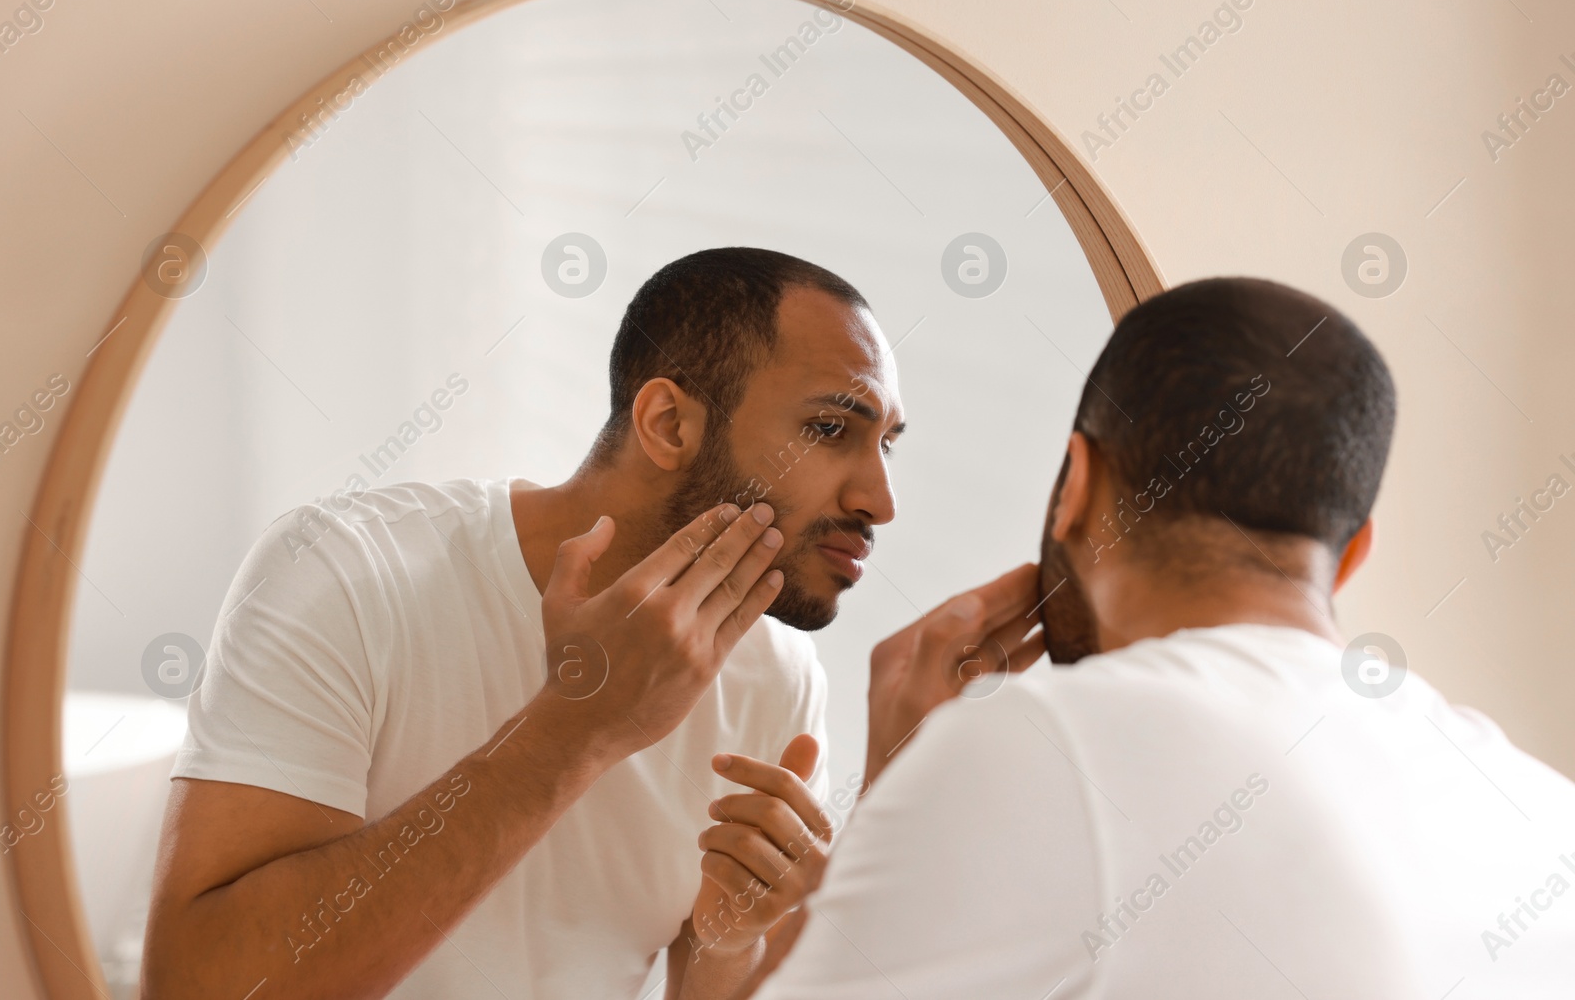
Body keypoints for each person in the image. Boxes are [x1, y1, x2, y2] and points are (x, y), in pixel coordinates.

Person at [746, 277, 1575, 999]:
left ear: (1077, 482)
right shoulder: (1542, 817)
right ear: (1353, 551)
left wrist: (897, 783)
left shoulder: (1048, 744)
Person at [141, 247, 907, 1000]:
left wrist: (727, 942)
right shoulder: (342, 572)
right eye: (832, 429)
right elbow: (197, 987)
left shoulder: (775, 675)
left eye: (889, 445)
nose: (882, 500)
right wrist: (574, 729)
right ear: (670, 423)